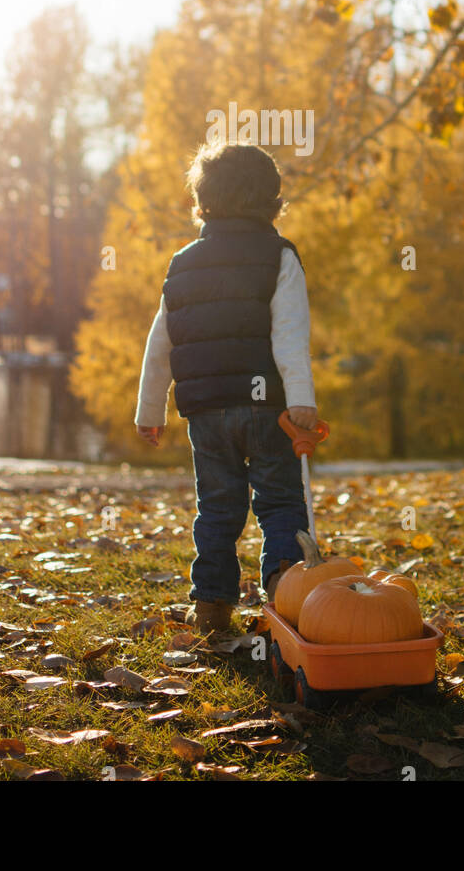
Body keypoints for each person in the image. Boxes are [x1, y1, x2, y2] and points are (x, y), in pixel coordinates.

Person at [135, 140, 317, 631]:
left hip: (208, 411)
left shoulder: (184, 262)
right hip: (269, 409)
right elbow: (290, 336)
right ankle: (286, 587)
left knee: (217, 506)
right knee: (279, 500)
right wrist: (301, 401)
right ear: (273, 201)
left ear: (202, 199)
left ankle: (212, 605)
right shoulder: (279, 256)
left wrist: (151, 409)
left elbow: (162, 341)